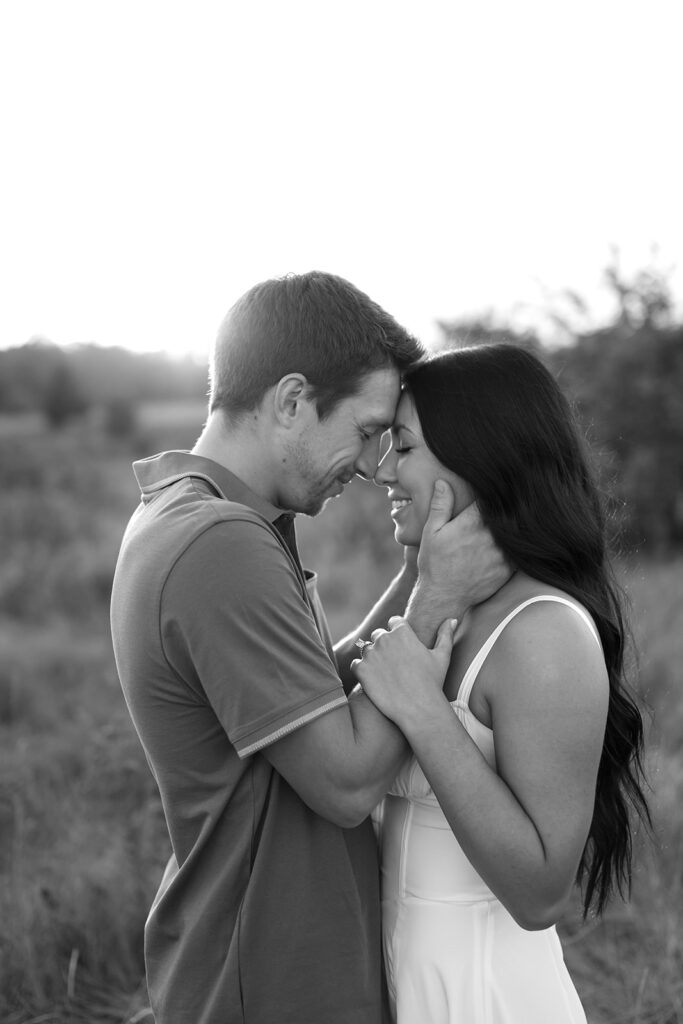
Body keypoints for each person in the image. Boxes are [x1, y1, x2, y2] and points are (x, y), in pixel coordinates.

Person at [110, 272, 508, 1024]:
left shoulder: (199, 516)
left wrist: (421, 575)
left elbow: (320, 690)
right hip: (265, 973)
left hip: (266, 961)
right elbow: (345, 781)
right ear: (291, 400)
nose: (368, 466)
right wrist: (440, 599)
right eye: (363, 431)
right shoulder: (219, 544)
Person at [352, 343, 651, 1024]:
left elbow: (540, 893)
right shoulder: (442, 601)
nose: (381, 469)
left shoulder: (543, 634)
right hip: (402, 988)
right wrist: (420, 585)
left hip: (486, 1000)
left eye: (402, 446)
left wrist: (425, 716)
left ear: (473, 457)